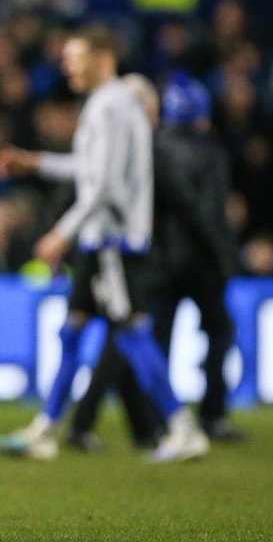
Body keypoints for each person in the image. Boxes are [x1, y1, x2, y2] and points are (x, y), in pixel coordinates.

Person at [0, 26, 210, 463]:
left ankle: (183, 427)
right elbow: (90, 169)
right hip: (102, 240)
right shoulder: (110, 104)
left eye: (75, 55)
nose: (67, 64)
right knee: (72, 331)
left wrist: (61, 233)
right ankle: (46, 428)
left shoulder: (110, 106)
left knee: (129, 332)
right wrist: (35, 162)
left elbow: (104, 186)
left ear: (102, 56)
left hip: (112, 243)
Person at [66, 73, 243, 452]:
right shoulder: (192, 152)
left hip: (139, 257)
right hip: (157, 259)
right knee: (141, 336)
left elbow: (83, 185)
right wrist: (224, 256)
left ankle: (133, 425)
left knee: (129, 339)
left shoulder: (140, 145)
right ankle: (196, 419)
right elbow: (197, 210)